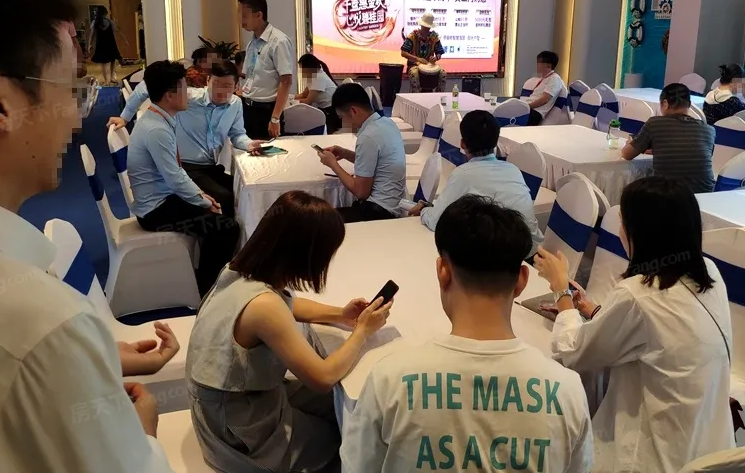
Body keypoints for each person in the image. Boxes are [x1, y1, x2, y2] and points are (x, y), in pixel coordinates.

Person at [0, 0, 175, 471]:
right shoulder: (46, 324)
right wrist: (143, 436)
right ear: (1, 102)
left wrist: (99, 358)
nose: (76, 116)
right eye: (72, 90)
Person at [342, 196, 593, 472]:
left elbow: (357, 466)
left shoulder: (388, 381)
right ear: (522, 280)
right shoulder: (568, 392)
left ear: (442, 271)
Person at [534, 177, 734, 473]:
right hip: (711, 451)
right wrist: (595, 310)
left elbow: (574, 353)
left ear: (640, 233)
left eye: (623, 223)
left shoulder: (637, 295)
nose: (620, 231)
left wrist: (561, 288)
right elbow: (660, 337)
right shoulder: (709, 274)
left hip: (653, 459)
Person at [186, 191, 393, 473]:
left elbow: (288, 306)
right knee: (346, 440)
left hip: (235, 402)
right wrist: (362, 332)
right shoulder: (263, 306)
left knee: (343, 408)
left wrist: (340, 314)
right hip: (238, 429)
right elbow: (323, 377)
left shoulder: (238, 271)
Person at [127, 60, 240, 296]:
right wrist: (203, 200)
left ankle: (211, 277)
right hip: (155, 211)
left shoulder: (158, 119)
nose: (188, 93)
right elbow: (175, 178)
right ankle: (209, 290)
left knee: (222, 213)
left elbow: (176, 176)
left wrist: (201, 197)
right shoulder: (157, 130)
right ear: (169, 95)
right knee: (226, 227)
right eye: (183, 88)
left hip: (162, 198)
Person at [109, 61, 264, 216]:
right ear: (208, 81)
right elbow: (146, 86)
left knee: (244, 190)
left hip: (210, 166)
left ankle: (237, 227)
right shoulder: (186, 97)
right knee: (225, 198)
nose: (220, 90)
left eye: (227, 86)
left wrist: (249, 144)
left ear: (236, 87)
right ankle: (228, 227)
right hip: (185, 167)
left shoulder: (235, 104)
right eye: (216, 83)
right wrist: (125, 117)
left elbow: (237, 134)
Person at [410, 111, 544, 255]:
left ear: (462, 144)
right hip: (529, 250)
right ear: (496, 143)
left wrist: (423, 210)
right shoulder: (514, 170)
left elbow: (436, 221)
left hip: (500, 257)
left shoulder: (464, 174)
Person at [318, 83, 406, 223]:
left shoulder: (367, 137)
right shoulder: (386, 123)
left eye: (342, 117)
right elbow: (376, 163)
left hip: (380, 212)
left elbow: (361, 192)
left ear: (353, 111)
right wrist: (345, 153)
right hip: (393, 204)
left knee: (320, 220)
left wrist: (333, 164)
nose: (343, 123)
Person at [622, 83, 716, 194]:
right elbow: (695, 155)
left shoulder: (655, 123)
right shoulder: (709, 130)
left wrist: (630, 143)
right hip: (705, 194)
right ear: (689, 104)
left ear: (665, 104)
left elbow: (627, 155)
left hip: (670, 195)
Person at [239, 0, 295, 139]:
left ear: (259, 15)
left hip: (267, 111)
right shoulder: (252, 43)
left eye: (244, 15)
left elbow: (286, 81)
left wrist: (275, 118)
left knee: (269, 152)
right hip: (248, 108)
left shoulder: (278, 41)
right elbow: (249, 76)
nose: (241, 20)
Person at [295, 53, 340, 133]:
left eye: (301, 68)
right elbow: (304, 94)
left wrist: (292, 102)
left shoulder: (318, 77)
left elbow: (308, 101)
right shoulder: (313, 76)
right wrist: (290, 97)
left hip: (330, 112)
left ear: (308, 67)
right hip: (324, 110)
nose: (301, 71)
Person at [401, 12, 446, 92]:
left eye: (428, 27)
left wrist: (436, 58)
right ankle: (416, 97)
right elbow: (403, 52)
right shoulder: (413, 36)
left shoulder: (434, 37)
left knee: (443, 74)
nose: (426, 28)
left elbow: (439, 53)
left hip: (430, 65)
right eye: (425, 26)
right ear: (421, 25)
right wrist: (417, 59)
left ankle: (438, 96)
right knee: (414, 74)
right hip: (414, 65)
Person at [87, 5, 127, 86]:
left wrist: (89, 44)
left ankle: (106, 80)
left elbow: (92, 35)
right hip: (110, 43)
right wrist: (124, 40)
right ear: (105, 13)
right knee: (112, 60)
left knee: (103, 63)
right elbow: (117, 31)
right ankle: (111, 77)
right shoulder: (109, 22)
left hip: (100, 44)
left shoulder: (95, 22)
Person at [524, 51, 564, 126]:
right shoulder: (544, 78)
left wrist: (527, 107)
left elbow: (545, 99)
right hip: (529, 110)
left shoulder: (554, 79)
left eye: (539, 62)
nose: (537, 65)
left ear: (548, 65)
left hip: (534, 112)